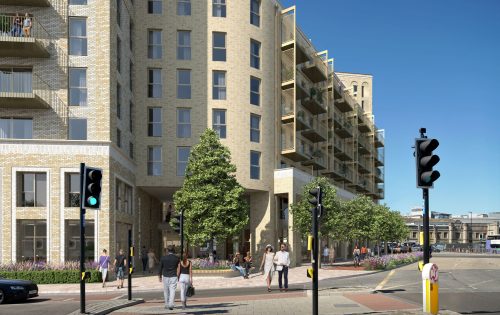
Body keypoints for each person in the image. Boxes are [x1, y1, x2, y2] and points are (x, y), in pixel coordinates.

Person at [159, 245, 180, 310]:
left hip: (165, 275)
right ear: (173, 250)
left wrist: (159, 276)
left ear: (167, 250)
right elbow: (179, 267)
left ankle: (166, 304)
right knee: (172, 290)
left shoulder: (163, 258)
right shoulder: (177, 258)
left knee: (166, 291)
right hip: (173, 275)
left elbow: (160, 267)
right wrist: (178, 275)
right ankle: (171, 304)